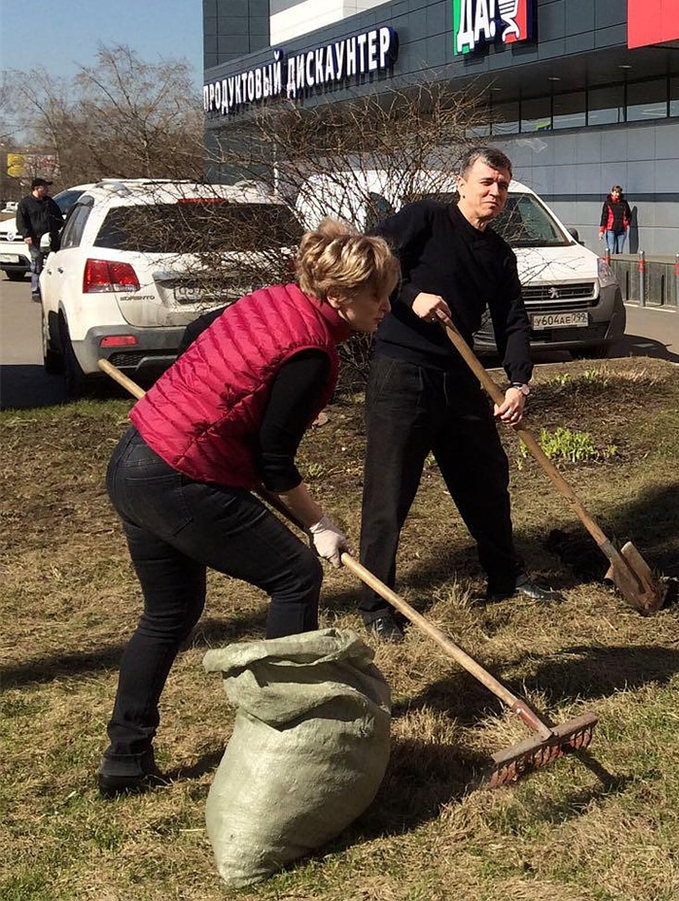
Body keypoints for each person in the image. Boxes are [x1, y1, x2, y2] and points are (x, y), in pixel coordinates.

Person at [98, 219, 399, 796]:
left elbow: (199, 332)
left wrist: (207, 398)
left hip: (136, 458)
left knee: (169, 612)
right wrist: (320, 525)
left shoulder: (271, 300)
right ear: (338, 297)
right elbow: (274, 464)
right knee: (295, 573)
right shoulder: (311, 353)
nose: (386, 306)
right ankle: (286, 737)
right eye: (376, 296)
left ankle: (124, 759)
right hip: (177, 477)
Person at [358, 146, 562, 643]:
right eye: (488, 181)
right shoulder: (426, 219)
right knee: (390, 493)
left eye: (504, 185)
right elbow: (368, 257)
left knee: (487, 480)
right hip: (402, 372)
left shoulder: (498, 253)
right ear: (461, 183)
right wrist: (409, 295)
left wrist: (518, 382)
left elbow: (513, 319)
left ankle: (505, 577)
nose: (496, 192)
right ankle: (377, 604)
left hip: (459, 378)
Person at [15, 178, 64, 302]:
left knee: (53, 264)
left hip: (51, 239)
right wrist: (26, 235)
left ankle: (51, 290)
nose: (47, 190)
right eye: (44, 187)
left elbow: (58, 218)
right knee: (37, 264)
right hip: (35, 239)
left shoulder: (49, 202)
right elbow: (21, 221)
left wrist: (59, 229)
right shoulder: (25, 203)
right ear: (36, 188)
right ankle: (35, 290)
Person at [599, 185, 632, 255]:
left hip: (622, 230)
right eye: (616, 192)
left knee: (620, 251)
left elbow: (629, 215)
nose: (617, 194)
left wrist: (626, 222)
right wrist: (602, 231)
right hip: (611, 229)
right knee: (611, 250)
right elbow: (604, 217)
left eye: (619, 192)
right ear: (612, 192)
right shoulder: (608, 203)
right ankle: (610, 264)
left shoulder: (624, 203)